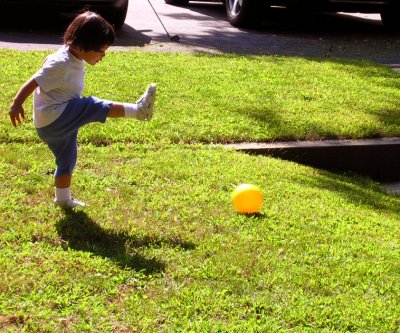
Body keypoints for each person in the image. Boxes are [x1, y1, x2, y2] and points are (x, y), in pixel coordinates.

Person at [8, 11, 156, 208]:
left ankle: (62, 200)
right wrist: (17, 103)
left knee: (67, 160)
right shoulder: (60, 63)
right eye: (101, 50)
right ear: (82, 45)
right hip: (55, 117)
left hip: (50, 125)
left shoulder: (72, 55)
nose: (104, 55)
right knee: (92, 106)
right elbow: (34, 81)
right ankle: (139, 111)